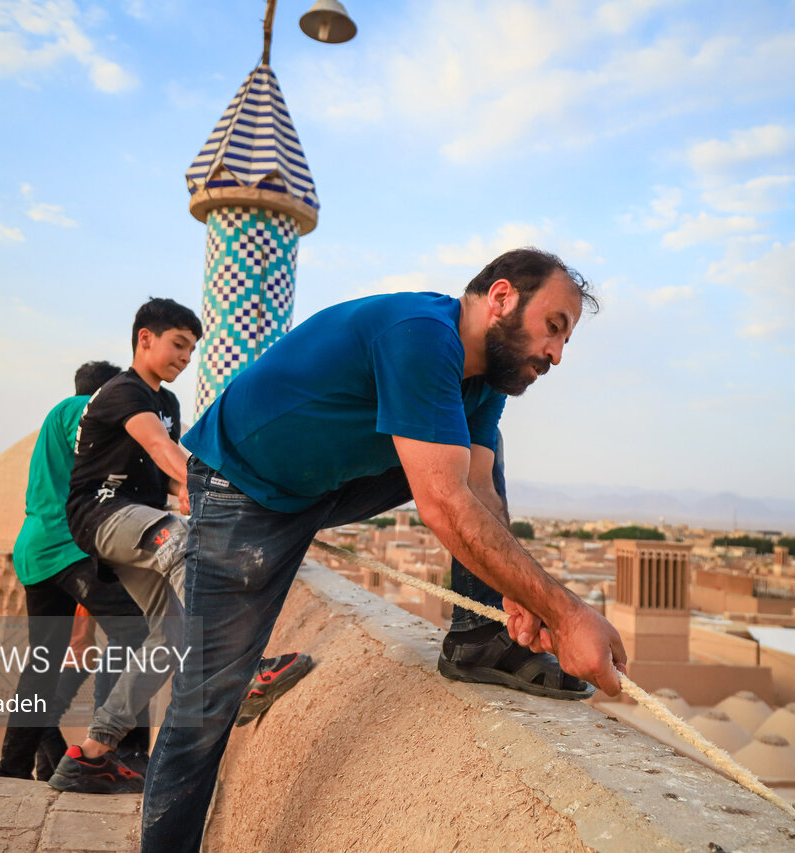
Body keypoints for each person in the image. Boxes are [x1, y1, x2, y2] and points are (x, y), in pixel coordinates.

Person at [140, 248, 629, 852]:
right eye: (554, 327)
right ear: (502, 298)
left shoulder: (487, 377)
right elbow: (445, 505)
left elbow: (478, 490)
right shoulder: (423, 337)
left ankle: (479, 638)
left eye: (565, 340)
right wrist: (567, 614)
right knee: (206, 704)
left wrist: (516, 593)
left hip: (320, 487)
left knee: (481, 443)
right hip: (244, 490)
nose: (556, 354)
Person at [61, 298, 312, 792]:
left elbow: (178, 478)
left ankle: (92, 754)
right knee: (186, 543)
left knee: (169, 636)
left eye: (193, 350)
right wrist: (213, 494)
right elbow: (160, 448)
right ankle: (240, 673)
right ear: (145, 339)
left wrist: (212, 503)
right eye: (178, 345)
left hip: (134, 521)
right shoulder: (122, 392)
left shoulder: (168, 403)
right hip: (102, 515)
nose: (185, 357)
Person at [0, 360, 153, 790]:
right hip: (66, 547)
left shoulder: (56, 417)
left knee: (42, 664)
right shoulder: (81, 409)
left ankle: (10, 769)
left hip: (37, 548)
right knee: (140, 633)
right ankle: (124, 754)